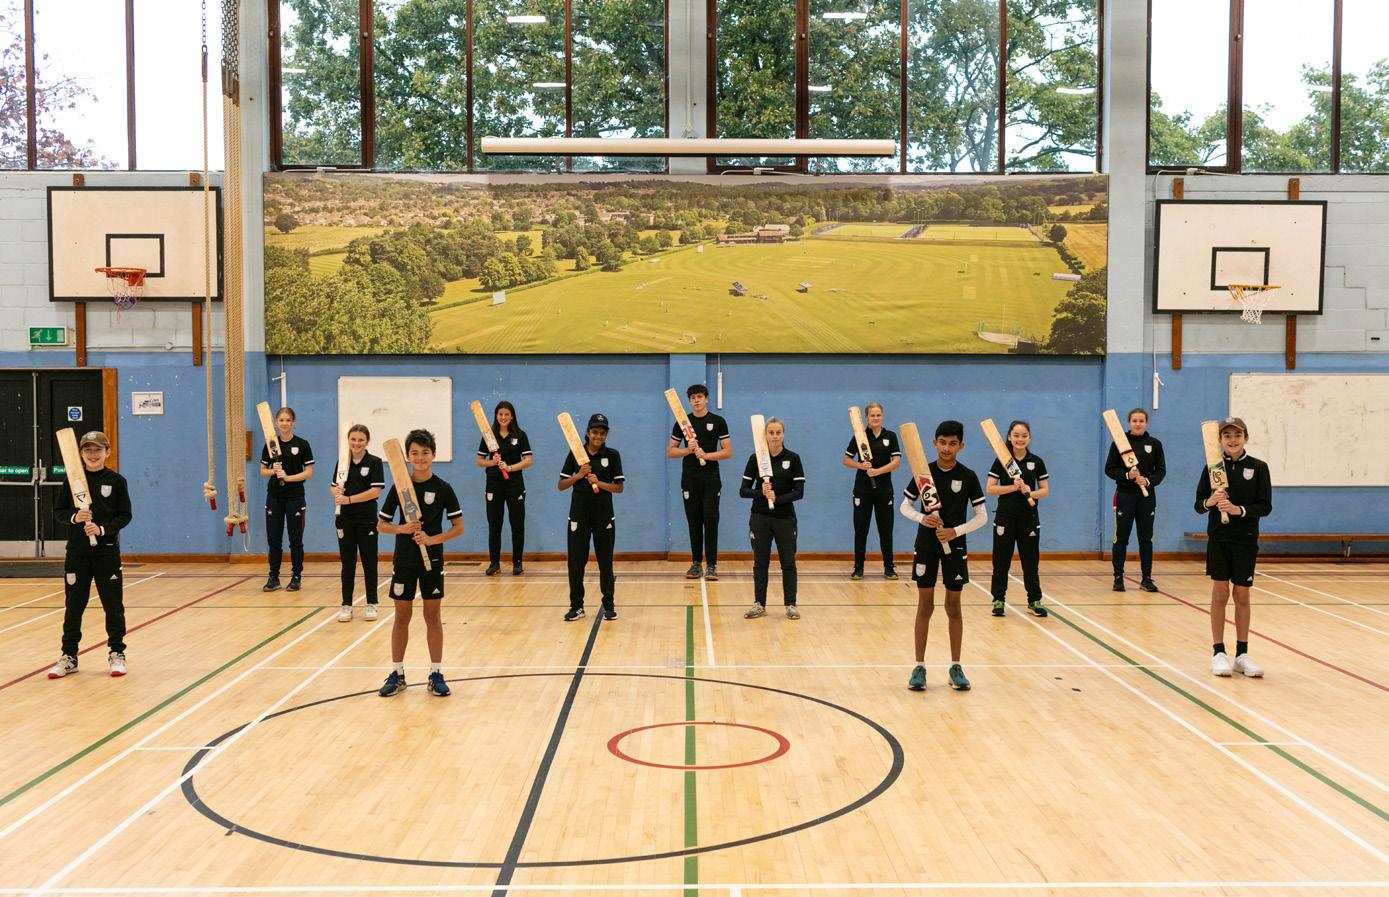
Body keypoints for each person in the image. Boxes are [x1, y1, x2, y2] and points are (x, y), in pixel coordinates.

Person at [377, 429, 464, 697]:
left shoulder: (443, 488)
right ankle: (397, 673)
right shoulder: (399, 488)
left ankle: (436, 673)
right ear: (407, 456)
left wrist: (431, 539)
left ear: (433, 455)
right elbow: (381, 524)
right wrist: (402, 529)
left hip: (432, 561)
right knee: (402, 616)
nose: (420, 457)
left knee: (432, 616)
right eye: (414, 453)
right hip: (404, 560)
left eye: (425, 452)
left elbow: (458, 527)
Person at [902, 421, 987, 692]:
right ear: (934, 443)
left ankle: (956, 667)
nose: (947, 448)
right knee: (925, 606)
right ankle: (919, 667)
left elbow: (982, 516)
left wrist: (955, 532)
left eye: (952, 443)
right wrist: (922, 518)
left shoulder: (968, 476)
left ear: (961, 446)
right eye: (942, 442)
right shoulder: (923, 474)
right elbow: (905, 506)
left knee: (953, 607)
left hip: (955, 547)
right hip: (927, 545)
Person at [48, 431, 132, 679]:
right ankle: (69, 656)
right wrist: (75, 517)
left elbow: (125, 515)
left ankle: (116, 653)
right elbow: (59, 511)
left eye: (97, 450)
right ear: (81, 454)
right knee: (74, 606)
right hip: (78, 553)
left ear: (107, 452)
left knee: (113, 605)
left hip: (106, 553)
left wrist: (102, 529)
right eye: (87, 450)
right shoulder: (72, 481)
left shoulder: (117, 481)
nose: (92, 455)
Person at [1195, 417, 1271, 678]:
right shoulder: (1213, 468)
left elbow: (1265, 506)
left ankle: (1242, 655)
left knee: (1242, 595)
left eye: (1237, 435)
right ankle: (1218, 653)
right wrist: (1211, 501)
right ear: (1220, 440)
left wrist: (1239, 510)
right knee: (1219, 593)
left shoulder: (1258, 468)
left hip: (1245, 539)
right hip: (1219, 538)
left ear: (1245, 438)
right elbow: (1198, 504)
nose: (1232, 440)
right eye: (1227, 436)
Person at [560, 413, 624, 621]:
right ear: (587, 433)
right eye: (595, 432)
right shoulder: (575, 454)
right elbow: (561, 485)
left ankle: (609, 605)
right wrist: (579, 475)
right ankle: (577, 606)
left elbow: (619, 488)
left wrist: (599, 482)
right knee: (576, 561)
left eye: (602, 433)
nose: (598, 436)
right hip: (579, 512)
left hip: (603, 512)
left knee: (605, 560)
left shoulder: (612, 455)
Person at [739, 417, 805, 619]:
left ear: (783, 434)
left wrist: (777, 498)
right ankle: (759, 604)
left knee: (788, 562)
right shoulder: (755, 459)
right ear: (765, 435)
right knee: (760, 562)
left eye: (778, 432)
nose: (775, 436)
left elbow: (799, 492)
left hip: (785, 519)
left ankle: (791, 605)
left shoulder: (793, 458)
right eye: (771, 433)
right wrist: (761, 492)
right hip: (760, 518)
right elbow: (743, 491)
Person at [986, 420, 1050, 618]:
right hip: (1005, 517)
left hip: (1029, 518)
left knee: (1030, 561)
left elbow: (1045, 491)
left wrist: (1030, 491)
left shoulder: (1036, 461)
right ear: (1009, 437)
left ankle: (1034, 600)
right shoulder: (1001, 460)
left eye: (1024, 436)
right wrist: (1013, 487)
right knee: (1001, 561)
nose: (1020, 439)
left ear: (1029, 438)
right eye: (1016, 435)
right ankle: (998, 600)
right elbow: (990, 489)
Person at [668, 384, 731, 581]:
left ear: (706, 399)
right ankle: (696, 563)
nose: (696, 400)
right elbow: (671, 451)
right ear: (689, 401)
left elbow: (727, 451)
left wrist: (706, 455)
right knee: (694, 521)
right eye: (693, 398)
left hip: (711, 478)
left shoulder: (718, 421)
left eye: (700, 397)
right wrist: (688, 450)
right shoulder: (682, 423)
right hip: (690, 478)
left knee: (711, 519)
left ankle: (711, 565)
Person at [1105, 407, 1165, 592]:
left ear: (1146, 422)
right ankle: (1118, 578)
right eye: (1134, 421)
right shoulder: (1119, 443)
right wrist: (1127, 475)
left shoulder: (1154, 444)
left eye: (1141, 421)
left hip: (1147, 498)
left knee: (1146, 539)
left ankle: (1146, 578)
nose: (1138, 424)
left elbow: (1161, 471)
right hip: (1125, 496)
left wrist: (1147, 480)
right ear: (1129, 422)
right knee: (1121, 538)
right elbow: (1109, 469)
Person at [331, 424, 384, 622]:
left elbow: (375, 491)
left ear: (367, 441)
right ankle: (346, 605)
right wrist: (336, 492)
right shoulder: (342, 462)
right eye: (353, 439)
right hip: (344, 519)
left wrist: (349, 500)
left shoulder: (374, 462)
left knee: (369, 562)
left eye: (361, 440)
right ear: (348, 440)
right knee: (347, 563)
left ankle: (371, 603)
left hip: (366, 519)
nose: (357, 443)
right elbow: (333, 488)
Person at [842, 402, 901, 580]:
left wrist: (878, 471)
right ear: (866, 418)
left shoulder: (890, 436)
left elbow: (896, 462)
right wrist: (861, 465)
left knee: (886, 529)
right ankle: (858, 567)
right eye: (872, 415)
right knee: (861, 529)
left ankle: (889, 567)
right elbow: (846, 460)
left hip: (884, 490)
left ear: (882, 416)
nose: (875, 418)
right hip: (863, 490)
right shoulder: (860, 436)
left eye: (878, 415)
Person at [476, 401, 533, 576]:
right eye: (500, 414)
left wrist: (509, 468)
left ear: (512, 416)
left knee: (517, 524)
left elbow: (528, 461)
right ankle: (494, 563)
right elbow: (480, 461)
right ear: (496, 416)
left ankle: (517, 563)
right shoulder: (489, 436)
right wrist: (492, 462)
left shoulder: (520, 435)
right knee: (494, 524)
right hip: (494, 484)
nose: (503, 417)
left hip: (515, 484)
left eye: (506, 414)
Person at [259, 407, 313, 592]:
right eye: (281, 420)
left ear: (293, 423)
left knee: (295, 540)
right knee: (274, 539)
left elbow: (308, 472)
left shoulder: (302, 444)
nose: (284, 423)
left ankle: (296, 576)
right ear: (276, 423)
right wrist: (273, 471)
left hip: (295, 497)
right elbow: (262, 471)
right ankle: (273, 577)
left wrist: (288, 478)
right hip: (274, 497)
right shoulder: (270, 444)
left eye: (288, 420)